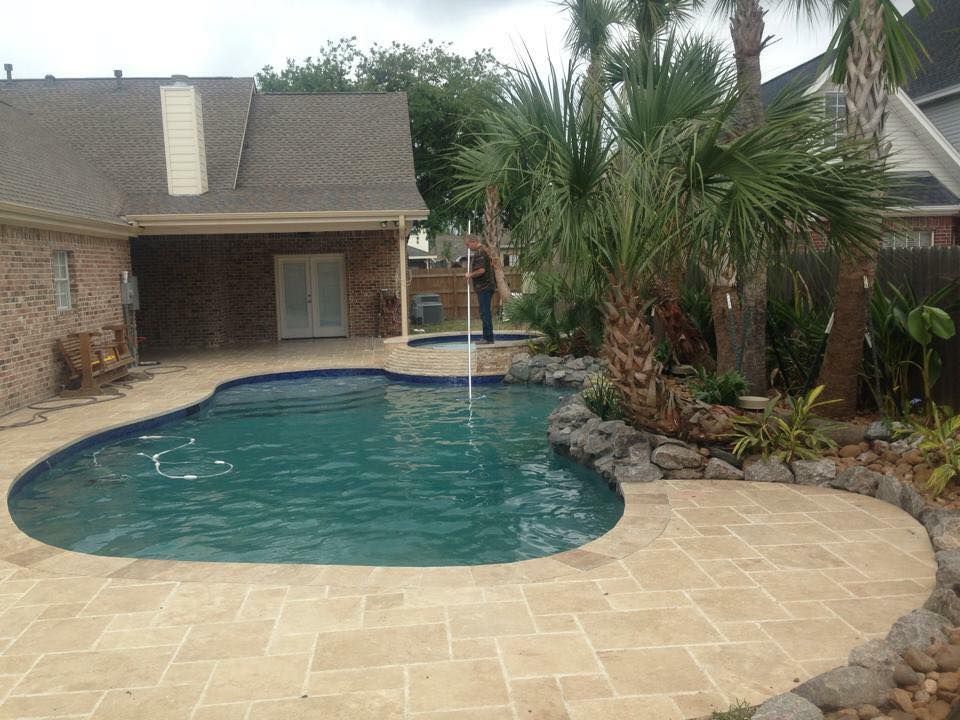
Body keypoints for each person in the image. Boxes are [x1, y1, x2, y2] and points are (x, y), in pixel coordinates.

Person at [464, 236, 495, 344]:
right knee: (484, 312)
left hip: (484, 287)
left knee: (485, 312)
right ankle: (487, 337)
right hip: (487, 286)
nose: (467, 247)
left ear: (474, 242)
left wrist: (470, 275)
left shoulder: (480, 253)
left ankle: (488, 338)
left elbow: (481, 270)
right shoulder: (484, 250)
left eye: (468, 245)